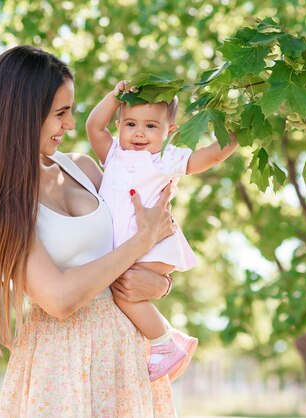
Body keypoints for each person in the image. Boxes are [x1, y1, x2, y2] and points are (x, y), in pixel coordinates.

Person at [0, 46, 179, 417]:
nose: (70, 125)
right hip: (63, 363)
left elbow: (151, 232)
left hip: (125, 353)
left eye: (71, 112)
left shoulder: (83, 167)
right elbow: (60, 299)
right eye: (60, 113)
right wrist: (141, 242)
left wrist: (162, 284)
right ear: (23, 115)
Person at [86, 80, 238, 381]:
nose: (139, 132)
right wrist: (114, 96)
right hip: (127, 248)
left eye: (151, 126)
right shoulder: (114, 154)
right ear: (118, 125)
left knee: (125, 291)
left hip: (156, 246)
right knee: (122, 289)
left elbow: (210, 156)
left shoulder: (166, 160)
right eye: (130, 124)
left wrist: (235, 136)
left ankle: (164, 344)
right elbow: (93, 127)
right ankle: (171, 337)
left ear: (170, 132)